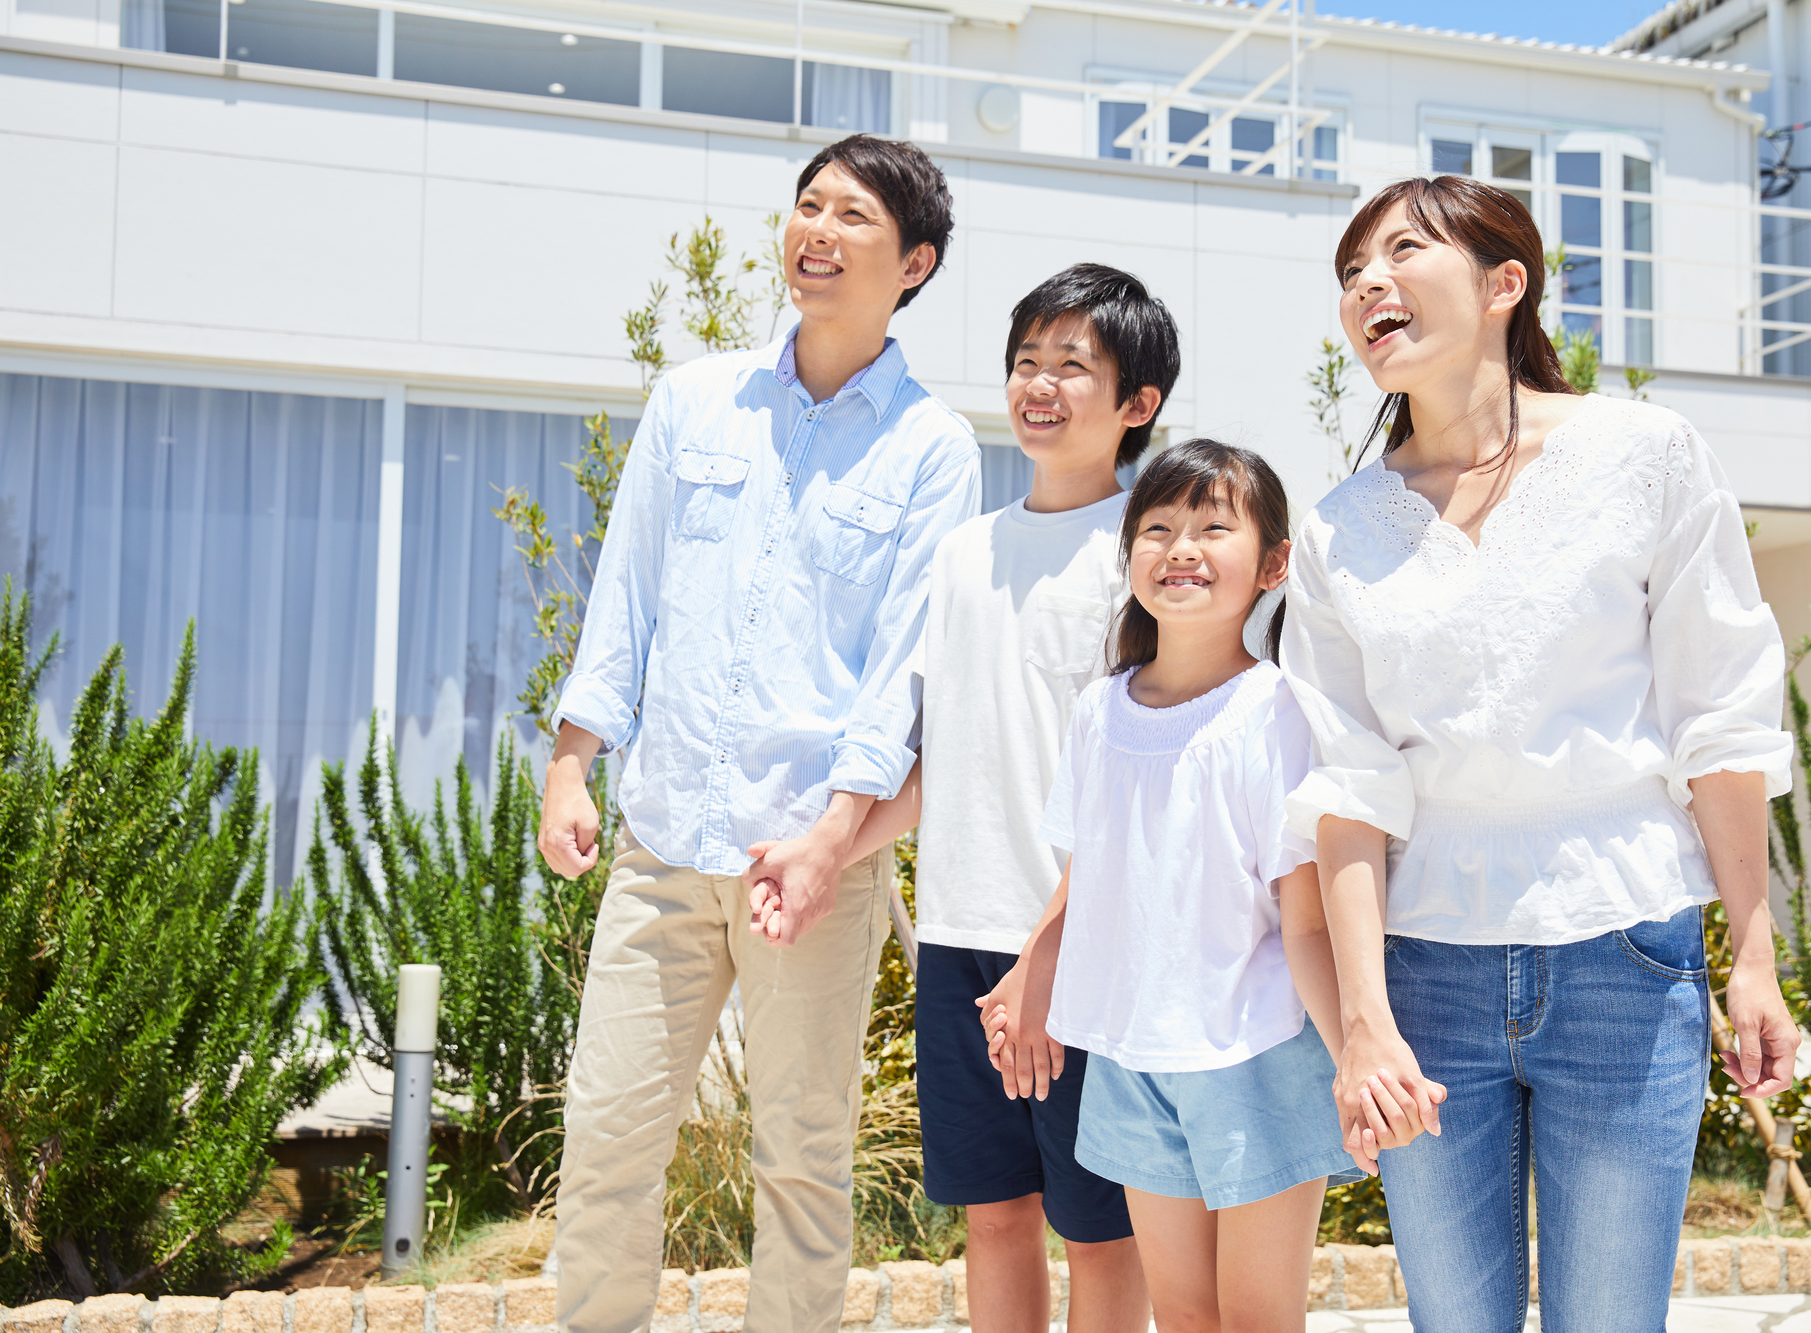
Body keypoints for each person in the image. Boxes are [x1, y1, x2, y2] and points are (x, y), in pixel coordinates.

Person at [1282, 174, 1799, 1332]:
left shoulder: (1645, 453)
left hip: (1623, 953)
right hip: (1423, 979)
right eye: (1349, 272)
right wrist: (1362, 1020)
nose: (1367, 282)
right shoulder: (1338, 528)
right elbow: (1345, 791)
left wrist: (1752, 954)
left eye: (1401, 251)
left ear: (1503, 283)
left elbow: (1718, 713)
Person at [537, 134, 982, 1333]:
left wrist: (836, 835)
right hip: (665, 838)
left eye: (853, 217)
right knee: (607, 1136)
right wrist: (571, 761)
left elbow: (901, 670)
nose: (817, 232)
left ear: (914, 264)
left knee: (801, 1158)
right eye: (807, 206)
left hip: (814, 863)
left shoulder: (933, 450)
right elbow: (622, 594)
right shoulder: (693, 400)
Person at [783, 263, 1179, 1333]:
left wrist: (1046, 956)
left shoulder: (1142, 562)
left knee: (1099, 1230)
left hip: (1085, 945)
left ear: (1137, 405)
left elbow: (1136, 789)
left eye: (1071, 366)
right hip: (960, 939)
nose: (1038, 385)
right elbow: (940, 763)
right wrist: (826, 848)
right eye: (1024, 363)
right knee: (994, 1216)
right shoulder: (959, 554)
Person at [983, 440, 1362, 1333]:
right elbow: (1088, 876)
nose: (1181, 547)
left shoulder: (1276, 712)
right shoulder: (1098, 709)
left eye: (1212, 527)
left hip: (1255, 1054)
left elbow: (1305, 924)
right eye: (1157, 528)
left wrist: (1355, 1059)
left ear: (1272, 563)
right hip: (1133, 1055)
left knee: (1258, 1317)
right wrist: (1034, 975)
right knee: (1184, 1313)